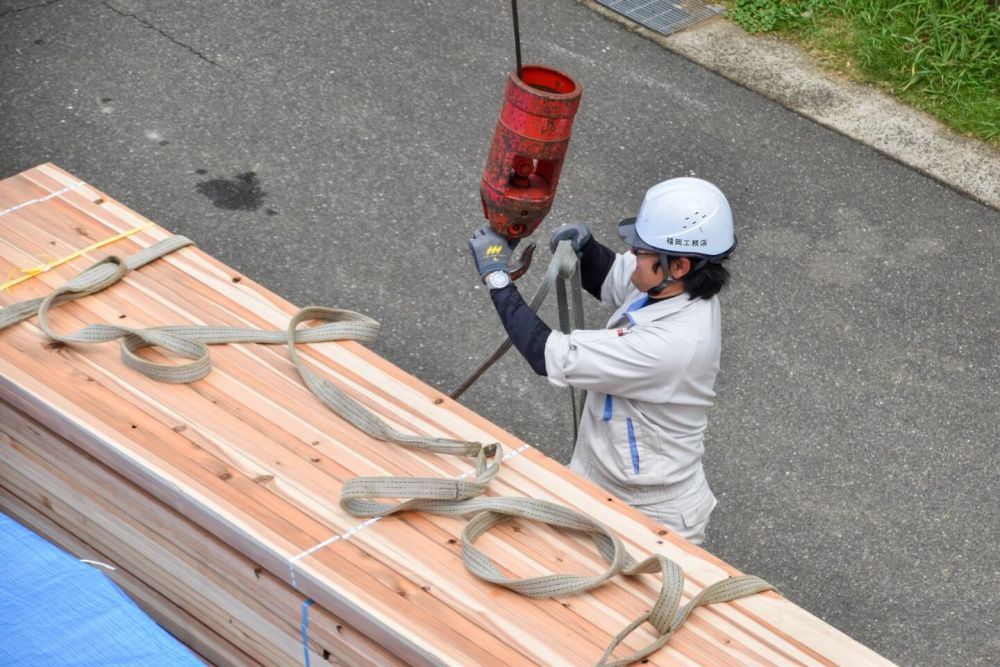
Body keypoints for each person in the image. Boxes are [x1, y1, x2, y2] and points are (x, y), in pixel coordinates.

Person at [467, 177, 737, 545]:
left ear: (678, 266)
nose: (632, 256)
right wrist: (588, 249)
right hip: (605, 478)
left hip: (651, 514)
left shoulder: (670, 344)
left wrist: (497, 277)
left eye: (640, 251)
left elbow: (546, 353)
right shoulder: (675, 289)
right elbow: (615, 276)